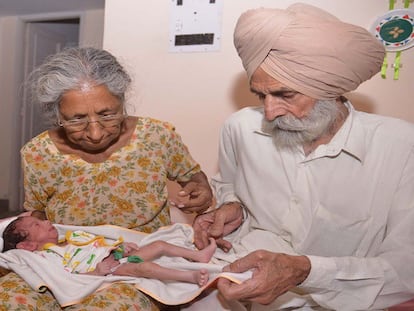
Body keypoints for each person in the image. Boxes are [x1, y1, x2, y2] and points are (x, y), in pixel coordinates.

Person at [193, 3, 414, 310]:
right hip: (238, 286)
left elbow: (407, 270)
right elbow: (228, 184)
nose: (270, 112)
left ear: (329, 89)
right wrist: (233, 206)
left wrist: (305, 272)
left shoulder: (401, 146)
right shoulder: (239, 129)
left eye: (285, 95)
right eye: (261, 95)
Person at [0, 47, 213, 310]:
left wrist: (200, 189)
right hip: (65, 260)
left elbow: (193, 178)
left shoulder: (157, 136)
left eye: (107, 114)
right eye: (76, 120)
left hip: (133, 263)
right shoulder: (37, 153)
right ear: (57, 116)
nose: (95, 133)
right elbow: (38, 213)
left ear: (122, 102)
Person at [3, 216, 217, 287]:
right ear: (27, 246)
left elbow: (99, 243)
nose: (47, 221)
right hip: (111, 268)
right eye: (38, 225)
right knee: (144, 267)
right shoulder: (47, 257)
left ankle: (199, 256)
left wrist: (119, 248)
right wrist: (97, 272)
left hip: (116, 257)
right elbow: (67, 278)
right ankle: (189, 276)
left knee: (159, 245)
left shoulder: (70, 239)